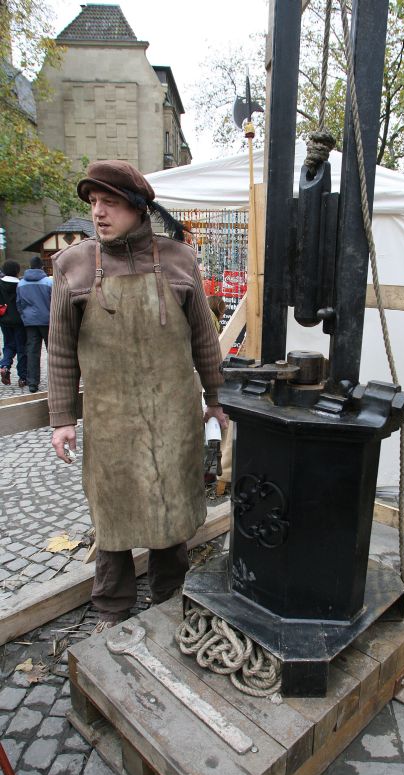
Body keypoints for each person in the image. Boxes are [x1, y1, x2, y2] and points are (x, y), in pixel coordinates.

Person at [48, 160, 227, 632]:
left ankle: (170, 593)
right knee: (113, 510)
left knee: (171, 502)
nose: (98, 213)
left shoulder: (179, 260)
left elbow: (204, 338)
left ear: (137, 207)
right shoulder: (72, 265)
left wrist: (215, 398)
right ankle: (112, 604)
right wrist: (62, 418)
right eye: (93, 202)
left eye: (110, 202)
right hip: (110, 418)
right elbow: (61, 349)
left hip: (174, 414)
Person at [16, 256, 53, 393]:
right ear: (42, 267)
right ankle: (56, 380)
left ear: (29, 266)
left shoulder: (21, 284)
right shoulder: (49, 282)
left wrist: (25, 317)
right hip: (48, 321)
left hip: (30, 322)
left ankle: (32, 383)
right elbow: (55, 302)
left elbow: (19, 304)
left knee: (32, 352)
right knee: (53, 351)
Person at [0, 260, 27, 388]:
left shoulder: (0, 284)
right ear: (17, 271)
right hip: (20, 321)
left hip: (4, 319)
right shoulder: (21, 285)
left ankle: (5, 366)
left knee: (8, 345)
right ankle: (23, 377)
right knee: (22, 348)